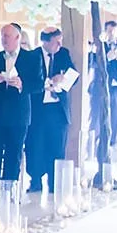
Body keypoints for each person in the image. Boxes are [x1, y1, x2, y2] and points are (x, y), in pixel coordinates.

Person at [0, 22, 41, 189]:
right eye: (2, 37)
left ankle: (9, 191)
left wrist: (22, 84)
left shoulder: (32, 58)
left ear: (17, 37)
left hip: (19, 114)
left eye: (7, 36)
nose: (3, 40)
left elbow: (39, 84)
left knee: (14, 154)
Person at [26, 28, 78, 194]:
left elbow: (73, 76)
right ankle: (35, 181)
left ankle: (54, 182)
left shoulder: (63, 54)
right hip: (38, 108)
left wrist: (61, 82)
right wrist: (47, 81)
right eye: (56, 41)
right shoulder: (33, 56)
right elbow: (30, 81)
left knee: (57, 145)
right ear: (46, 42)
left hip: (57, 108)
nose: (59, 44)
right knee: (36, 144)